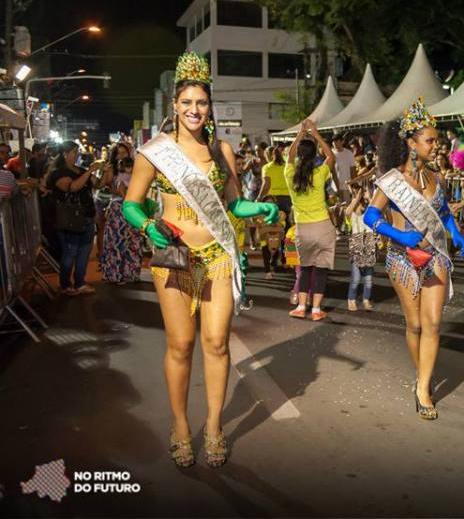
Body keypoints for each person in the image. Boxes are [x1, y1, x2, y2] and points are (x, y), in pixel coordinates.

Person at [122, 52, 278, 467]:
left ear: (210, 106)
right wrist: (148, 227)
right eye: (187, 102)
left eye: (202, 102)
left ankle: (213, 427)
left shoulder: (222, 149)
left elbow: (234, 205)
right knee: (181, 344)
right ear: (175, 105)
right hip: (174, 259)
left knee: (216, 343)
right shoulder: (154, 152)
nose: (194, 110)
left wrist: (260, 209)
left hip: (217, 256)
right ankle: (178, 426)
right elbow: (131, 205)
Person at [364, 98, 464, 420]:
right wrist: (400, 236)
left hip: (434, 255)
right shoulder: (393, 180)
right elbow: (370, 216)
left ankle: (423, 386)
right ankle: (422, 372)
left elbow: (443, 212)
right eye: (430, 140)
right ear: (411, 143)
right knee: (415, 324)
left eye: (436, 140)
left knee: (434, 324)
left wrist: (456, 232)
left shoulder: (437, 178)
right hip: (401, 258)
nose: (437, 146)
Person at [286, 118, 337, 321]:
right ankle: (316, 310)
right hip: (323, 226)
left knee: (305, 268)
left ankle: (301, 306)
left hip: (303, 229)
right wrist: (315, 134)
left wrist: (300, 134)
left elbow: (289, 157)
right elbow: (331, 156)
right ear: (315, 155)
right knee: (322, 270)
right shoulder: (320, 172)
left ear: (299, 155)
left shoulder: (290, 174)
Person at [49, 141, 105, 296]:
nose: (77, 154)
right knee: (70, 253)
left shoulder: (81, 170)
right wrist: (89, 172)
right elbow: (72, 187)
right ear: (65, 154)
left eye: (77, 151)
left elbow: (99, 184)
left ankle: (80, 282)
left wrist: (105, 171)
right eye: (74, 151)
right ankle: (65, 284)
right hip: (70, 218)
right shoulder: (58, 173)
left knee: (84, 252)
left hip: (87, 216)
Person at [100, 157, 143, 284]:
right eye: (127, 166)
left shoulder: (133, 178)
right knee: (119, 242)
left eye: (131, 166)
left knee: (131, 242)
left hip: (128, 210)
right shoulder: (122, 178)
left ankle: (129, 273)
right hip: (122, 210)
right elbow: (123, 193)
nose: (129, 168)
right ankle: (118, 273)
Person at [346, 185, 377, 312]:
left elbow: (375, 209)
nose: (360, 206)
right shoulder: (353, 216)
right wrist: (356, 197)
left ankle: (366, 299)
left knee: (369, 280)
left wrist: (369, 198)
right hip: (357, 250)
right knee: (356, 279)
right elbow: (348, 211)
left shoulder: (368, 216)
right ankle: (351, 300)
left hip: (369, 248)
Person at [331, 133, 357, 202]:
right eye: (333, 142)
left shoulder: (349, 153)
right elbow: (333, 172)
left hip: (347, 186)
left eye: (337, 141)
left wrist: (354, 184)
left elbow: (353, 169)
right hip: (334, 188)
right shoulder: (331, 154)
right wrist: (338, 188)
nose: (335, 144)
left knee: (347, 207)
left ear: (342, 142)